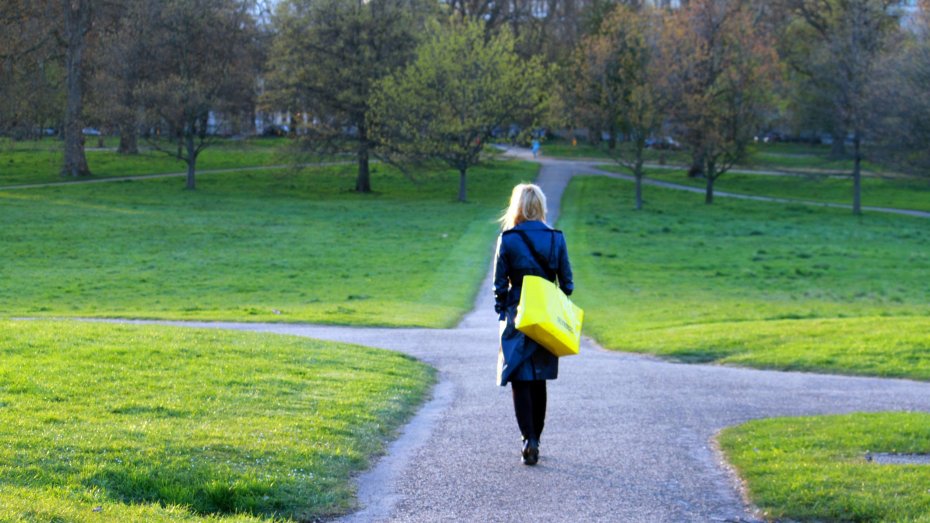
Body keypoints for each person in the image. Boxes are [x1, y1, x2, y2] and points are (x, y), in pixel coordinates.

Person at [493, 183, 574, 466]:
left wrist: (504, 311)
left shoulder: (508, 239)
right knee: (539, 377)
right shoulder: (556, 238)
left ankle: (528, 438)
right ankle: (536, 438)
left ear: (517, 206)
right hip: (546, 315)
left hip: (517, 313)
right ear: (540, 206)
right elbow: (568, 284)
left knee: (519, 376)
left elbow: (499, 287)